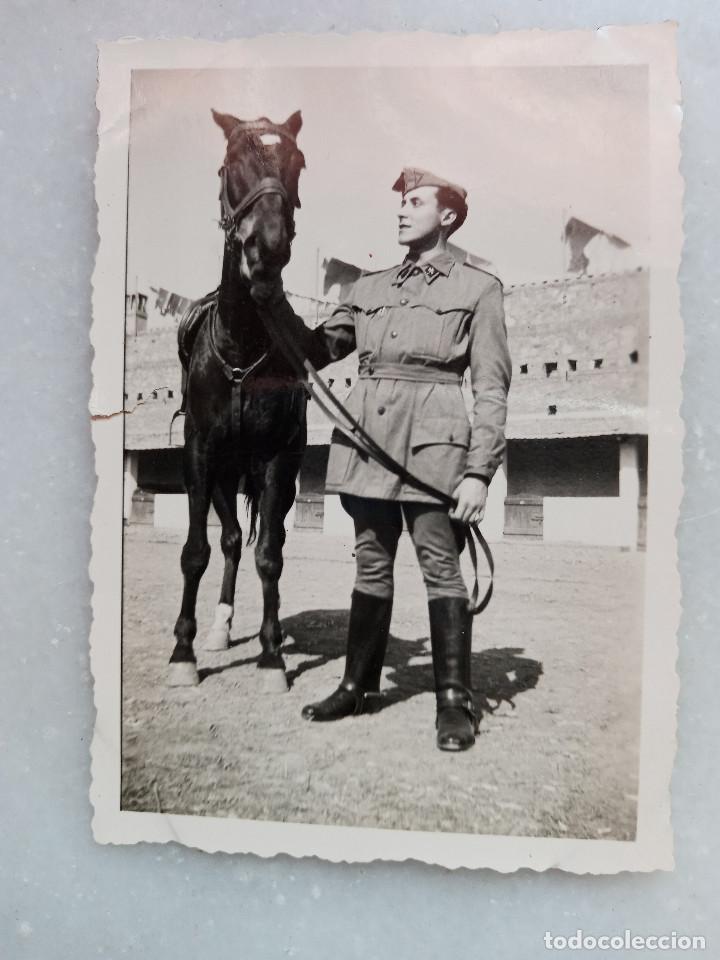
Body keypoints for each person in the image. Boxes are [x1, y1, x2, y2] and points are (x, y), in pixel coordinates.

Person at [252, 167, 512, 751]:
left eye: (415, 201)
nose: (401, 209)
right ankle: (357, 683)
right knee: (370, 562)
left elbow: (492, 388)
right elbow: (317, 350)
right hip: (368, 437)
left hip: (435, 447)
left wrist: (479, 471)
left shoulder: (478, 288)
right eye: (400, 200)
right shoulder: (367, 288)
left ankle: (454, 701)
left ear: (446, 216)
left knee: (439, 566)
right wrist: (270, 303)